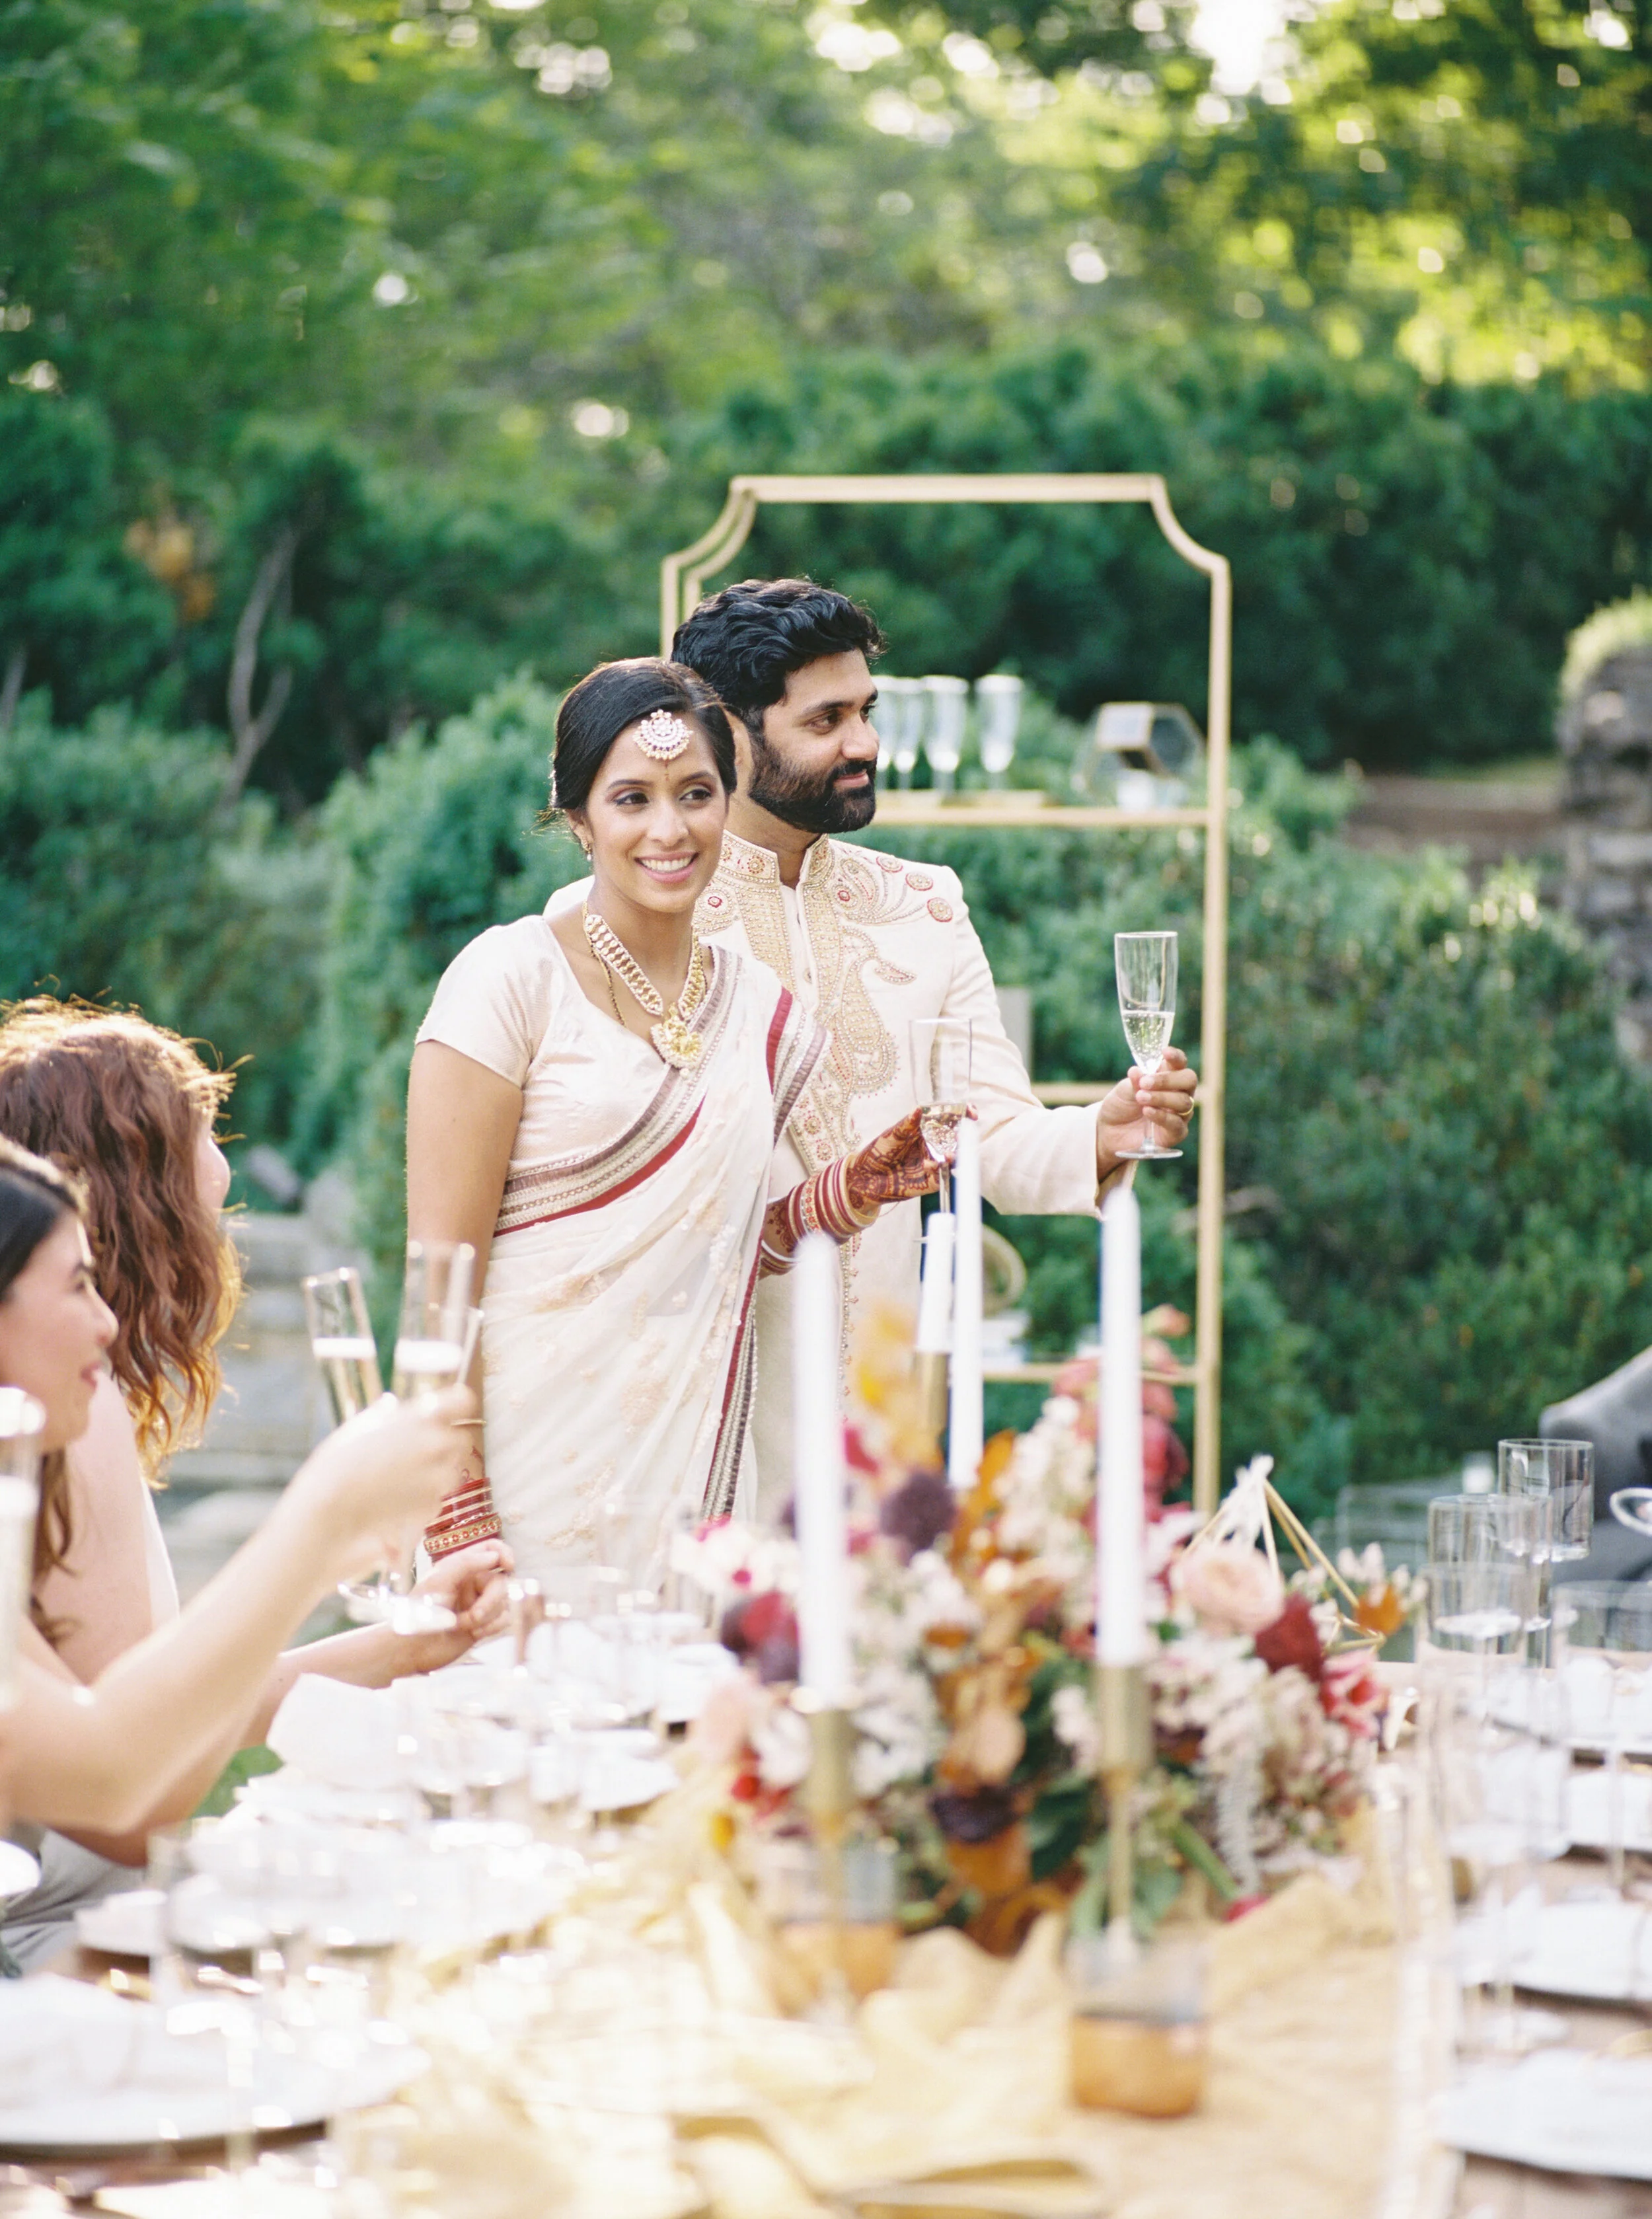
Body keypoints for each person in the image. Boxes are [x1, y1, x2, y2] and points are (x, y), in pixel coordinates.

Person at [406, 658, 940, 1584]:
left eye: (696, 793)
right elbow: (441, 1280)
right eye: (631, 798)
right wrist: (458, 1508)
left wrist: (846, 1193)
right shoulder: (509, 982)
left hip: (689, 1496)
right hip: (525, 1487)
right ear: (578, 819)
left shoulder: (756, 1010)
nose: (669, 828)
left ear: (728, 807)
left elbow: (733, 1247)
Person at [0, 1002, 511, 1967]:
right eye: (77, 1285)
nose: (107, 1326)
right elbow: (125, 1793)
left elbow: (128, 1726)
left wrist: (396, 1645)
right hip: (65, 1955)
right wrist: (317, 1527)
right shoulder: (81, 1422)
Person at [669, 578, 1199, 1495]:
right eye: (827, 719)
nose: (866, 744)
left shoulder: (925, 906)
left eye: (867, 712)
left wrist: (1101, 1133)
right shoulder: (650, 918)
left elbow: (985, 1129)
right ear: (728, 730)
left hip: (880, 1440)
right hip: (698, 1435)